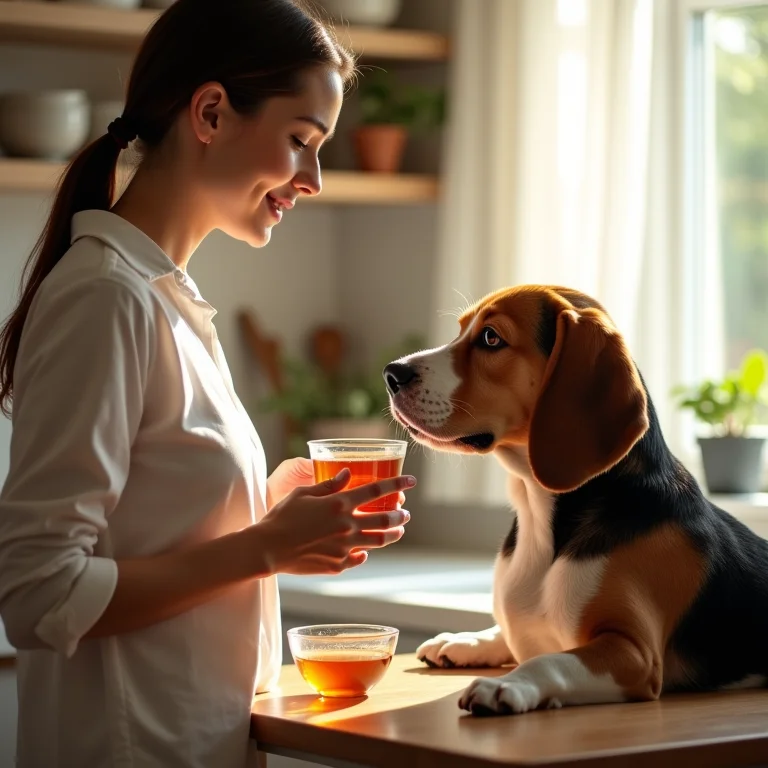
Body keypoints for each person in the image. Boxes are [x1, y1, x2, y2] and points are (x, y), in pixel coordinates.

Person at [0, 1, 415, 766]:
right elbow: (39, 593)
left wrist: (264, 516)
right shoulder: (106, 298)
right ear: (212, 113)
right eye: (300, 141)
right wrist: (261, 547)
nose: (314, 178)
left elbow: (147, 527)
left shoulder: (164, 297)